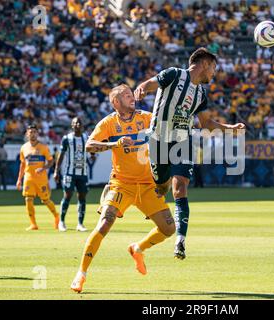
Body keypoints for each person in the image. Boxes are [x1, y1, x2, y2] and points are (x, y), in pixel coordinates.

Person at [134, 47, 245, 259]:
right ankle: (159, 190)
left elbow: (205, 123)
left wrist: (230, 128)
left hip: (182, 141)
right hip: (158, 139)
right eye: (213, 67)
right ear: (204, 64)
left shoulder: (201, 94)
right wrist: (142, 88)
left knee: (180, 187)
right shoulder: (174, 74)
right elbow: (150, 83)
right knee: (161, 185)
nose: (214, 73)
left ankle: (180, 241)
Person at [70, 84, 175, 293]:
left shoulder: (146, 117)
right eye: (126, 96)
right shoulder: (109, 122)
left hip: (147, 185)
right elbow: (90, 145)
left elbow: (167, 136)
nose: (132, 98)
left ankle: (138, 248)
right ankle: (81, 274)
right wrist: (115, 144)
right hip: (122, 184)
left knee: (169, 229)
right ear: (116, 102)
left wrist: (166, 178)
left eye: (131, 94)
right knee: (104, 224)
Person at [54, 117, 94, 232]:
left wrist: (92, 153)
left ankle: (80, 224)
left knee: (82, 197)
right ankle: (61, 222)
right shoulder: (67, 138)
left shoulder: (86, 137)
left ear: (82, 126)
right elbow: (61, 155)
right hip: (69, 173)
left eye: (79, 123)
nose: (77, 124)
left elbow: (92, 149)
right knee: (67, 196)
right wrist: (57, 170)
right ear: (72, 125)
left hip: (83, 173)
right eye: (75, 123)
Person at [16, 124, 59, 231]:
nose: (33, 134)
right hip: (28, 178)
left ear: (37, 134)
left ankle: (57, 217)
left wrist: (43, 168)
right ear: (27, 133)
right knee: (28, 199)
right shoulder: (24, 148)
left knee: (45, 200)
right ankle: (33, 224)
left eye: (34, 132)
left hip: (41, 179)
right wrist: (19, 180)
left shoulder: (43, 147)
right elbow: (22, 164)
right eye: (31, 132)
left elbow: (51, 161)